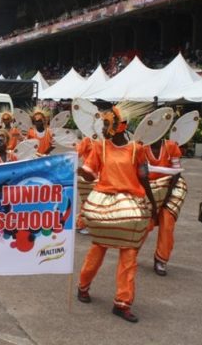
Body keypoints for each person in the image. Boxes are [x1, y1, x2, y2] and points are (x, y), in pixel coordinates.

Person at [77, 103, 156, 323]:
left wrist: (153, 207)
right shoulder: (99, 148)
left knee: (129, 255)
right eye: (102, 123)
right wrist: (80, 170)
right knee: (97, 249)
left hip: (130, 207)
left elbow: (143, 178)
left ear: (121, 125)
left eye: (106, 123)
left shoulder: (137, 150)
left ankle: (122, 303)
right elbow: (91, 175)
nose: (102, 127)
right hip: (104, 206)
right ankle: (83, 286)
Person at [144, 139, 187, 275]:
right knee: (144, 222)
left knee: (167, 223)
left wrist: (166, 195)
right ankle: (131, 252)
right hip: (148, 188)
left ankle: (160, 260)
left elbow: (177, 171)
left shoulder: (171, 146)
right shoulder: (141, 147)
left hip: (170, 186)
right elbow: (141, 174)